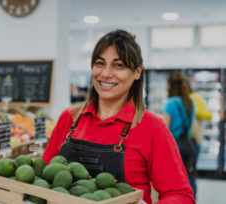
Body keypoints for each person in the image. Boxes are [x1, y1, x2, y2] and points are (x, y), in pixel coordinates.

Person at [43, 30, 195, 204]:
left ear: (137, 72)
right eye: (100, 63)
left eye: (118, 65)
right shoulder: (70, 118)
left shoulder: (152, 127)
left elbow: (181, 196)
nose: (106, 73)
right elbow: (45, 176)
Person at [162, 72, 197, 199]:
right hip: (189, 144)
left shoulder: (170, 103)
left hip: (174, 145)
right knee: (189, 177)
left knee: (173, 180)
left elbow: (164, 128)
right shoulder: (191, 103)